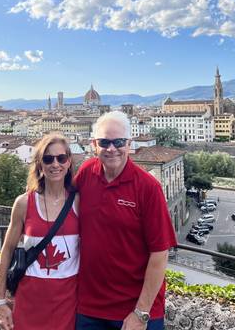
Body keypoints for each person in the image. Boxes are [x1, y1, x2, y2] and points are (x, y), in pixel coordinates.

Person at [75, 111, 177, 330]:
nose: (112, 149)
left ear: (129, 143)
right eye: (104, 142)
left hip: (135, 312)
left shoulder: (148, 188)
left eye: (119, 142)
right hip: (89, 308)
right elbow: (61, 205)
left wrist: (140, 313)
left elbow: (160, 253)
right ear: (94, 144)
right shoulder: (85, 173)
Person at [0, 133, 79, 330]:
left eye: (61, 158)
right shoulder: (24, 203)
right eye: (48, 159)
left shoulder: (79, 202)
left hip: (67, 304)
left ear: (69, 163)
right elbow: (7, 251)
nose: (55, 164)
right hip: (29, 302)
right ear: (40, 165)